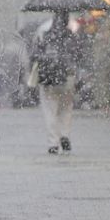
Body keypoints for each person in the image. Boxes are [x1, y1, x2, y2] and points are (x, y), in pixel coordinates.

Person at [34, 13, 76, 154]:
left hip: (48, 78)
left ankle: (53, 142)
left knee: (50, 110)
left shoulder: (44, 33)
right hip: (67, 77)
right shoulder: (71, 34)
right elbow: (79, 54)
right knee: (66, 108)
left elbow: (35, 54)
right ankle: (65, 135)